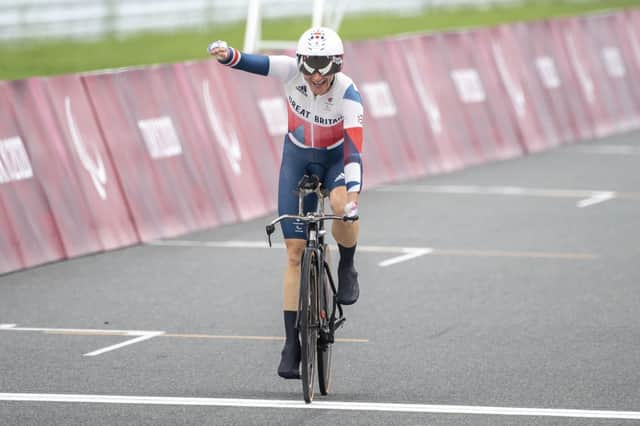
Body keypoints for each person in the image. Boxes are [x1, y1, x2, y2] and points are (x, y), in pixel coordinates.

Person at [208, 27, 363, 379]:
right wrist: (229, 56)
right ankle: (292, 344)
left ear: (337, 65)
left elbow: (354, 149)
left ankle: (348, 264)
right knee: (294, 252)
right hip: (297, 159)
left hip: (335, 161)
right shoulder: (292, 72)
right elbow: (258, 63)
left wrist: (352, 195)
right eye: (311, 66)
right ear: (300, 63)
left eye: (325, 66)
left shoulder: (348, 93)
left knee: (342, 207)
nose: (317, 75)